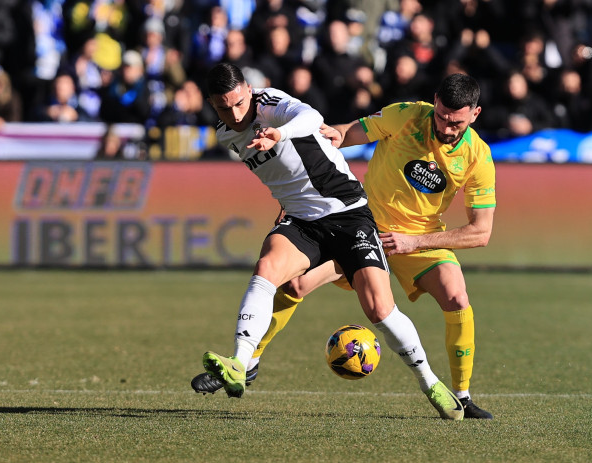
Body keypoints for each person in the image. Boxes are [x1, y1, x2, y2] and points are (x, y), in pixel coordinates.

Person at [193, 72, 496, 419]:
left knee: (445, 298)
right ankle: (244, 362)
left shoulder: (478, 157)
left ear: (475, 114)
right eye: (441, 116)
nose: (445, 126)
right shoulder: (409, 114)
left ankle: (458, 394)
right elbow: (345, 132)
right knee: (289, 282)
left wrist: (414, 241)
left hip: (408, 234)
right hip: (354, 218)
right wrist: (324, 151)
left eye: (455, 122)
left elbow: (481, 232)